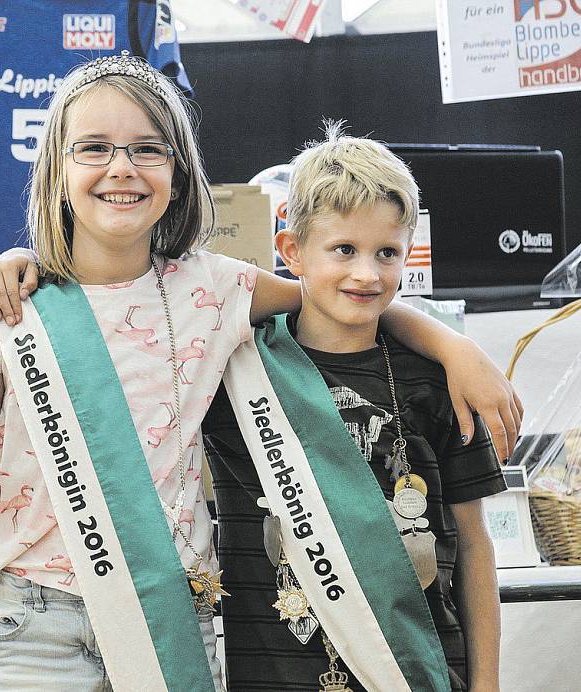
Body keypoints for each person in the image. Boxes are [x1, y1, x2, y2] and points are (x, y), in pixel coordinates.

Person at [0, 52, 514, 690]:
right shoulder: (3, 312)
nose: (121, 167)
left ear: (178, 173)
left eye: (147, 150)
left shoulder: (215, 290)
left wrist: (456, 348)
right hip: (36, 623)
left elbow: (341, 293)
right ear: (56, 170)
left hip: (172, 617)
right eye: (94, 148)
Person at [201, 126, 504, 691]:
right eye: (344, 249)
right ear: (292, 252)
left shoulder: (439, 383)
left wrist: (486, 686)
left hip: (414, 672)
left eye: (386, 253)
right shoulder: (237, 373)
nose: (367, 274)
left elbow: (473, 544)